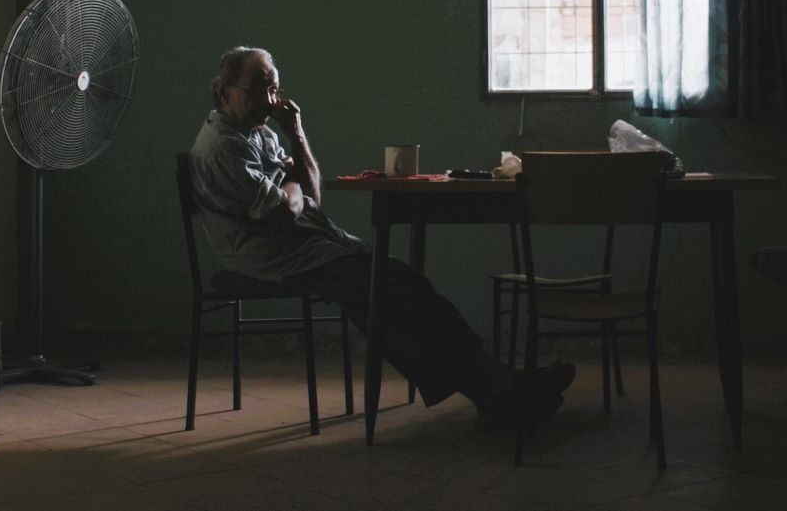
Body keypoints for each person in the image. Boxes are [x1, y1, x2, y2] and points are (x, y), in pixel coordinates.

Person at [188, 46, 574, 429]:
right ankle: (493, 388)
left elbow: (313, 200)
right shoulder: (224, 147)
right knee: (388, 291)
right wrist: (291, 183)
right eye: (257, 89)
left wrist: (297, 136)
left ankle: (494, 382)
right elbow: (284, 212)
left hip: (306, 245)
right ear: (223, 91)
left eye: (274, 89)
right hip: (271, 256)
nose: (270, 102)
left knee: (405, 281)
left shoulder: (262, 134)